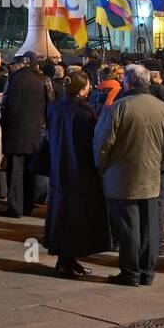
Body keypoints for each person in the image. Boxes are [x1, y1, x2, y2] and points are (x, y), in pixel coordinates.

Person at [93, 63, 164, 287]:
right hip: (151, 177)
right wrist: (159, 163)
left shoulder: (119, 108)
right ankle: (147, 272)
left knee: (129, 227)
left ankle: (130, 272)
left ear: (127, 82)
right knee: (149, 226)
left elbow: (103, 143)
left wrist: (102, 167)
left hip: (122, 176)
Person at [43, 71, 111, 279]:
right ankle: (66, 261)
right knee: (75, 219)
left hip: (59, 168)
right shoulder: (84, 111)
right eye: (88, 85)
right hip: (79, 171)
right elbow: (92, 141)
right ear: (82, 89)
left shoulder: (56, 107)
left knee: (62, 216)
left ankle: (68, 260)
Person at [0, 53, 50, 218]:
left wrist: (5, 127)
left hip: (15, 133)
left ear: (21, 64)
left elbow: (7, 105)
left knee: (14, 173)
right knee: (30, 173)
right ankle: (28, 206)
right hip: (36, 134)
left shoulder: (14, 79)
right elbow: (50, 105)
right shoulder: (43, 80)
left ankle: (15, 208)